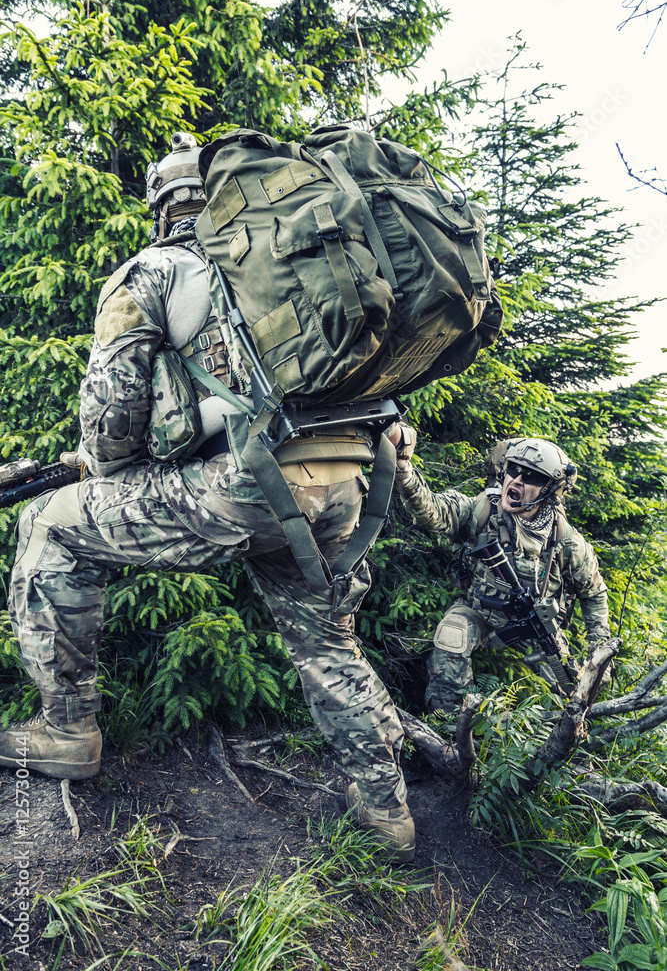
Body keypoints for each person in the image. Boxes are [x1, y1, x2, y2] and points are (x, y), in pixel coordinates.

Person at [0, 134, 415, 862]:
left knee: (49, 524)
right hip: (345, 484)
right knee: (327, 640)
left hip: (251, 485)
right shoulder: (297, 262)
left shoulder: (155, 269)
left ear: (162, 206)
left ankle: (67, 731)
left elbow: (113, 413)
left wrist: (97, 466)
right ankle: (386, 810)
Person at [389, 427, 611, 711]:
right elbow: (433, 511)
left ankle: (561, 740)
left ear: (550, 489)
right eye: (513, 470)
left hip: (535, 626)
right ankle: (448, 728)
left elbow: (594, 594)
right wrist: (404, 471)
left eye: (531, 477)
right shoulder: (481, 510)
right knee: (451, 635)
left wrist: (599, 652)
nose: (516, 481)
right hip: (479, 611)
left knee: (568, 687)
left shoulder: (566, 541)